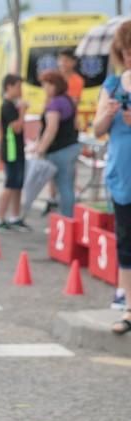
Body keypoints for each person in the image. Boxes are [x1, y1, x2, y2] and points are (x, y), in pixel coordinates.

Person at [93, 19, 131, 335]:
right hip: (123, 172)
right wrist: (108, 114)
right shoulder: (112, 86)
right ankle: (129, 308)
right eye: (126, 51)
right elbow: (97, 130)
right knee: (126, 239)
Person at [34, 70, 80, 218]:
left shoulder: (54, 104)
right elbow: (76, 124)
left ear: (54, 85)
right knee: (68, 186)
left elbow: (50, 129)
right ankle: (69, 219)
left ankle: (67, 221)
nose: (44, 88)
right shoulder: (68, 100)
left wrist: (40, 149)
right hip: (71, 146)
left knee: (63, 187)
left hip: (59, 150)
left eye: (46, 85)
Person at [0, 74, 31, 231]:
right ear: (9, 87)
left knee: (17, 185)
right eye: (18, 86)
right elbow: (17, 127)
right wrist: (23, 111)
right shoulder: (7, 106)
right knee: (10, 184)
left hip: (18, 150)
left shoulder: (12, 105)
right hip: (11, 151)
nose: (20, 90)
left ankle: (15, 216)